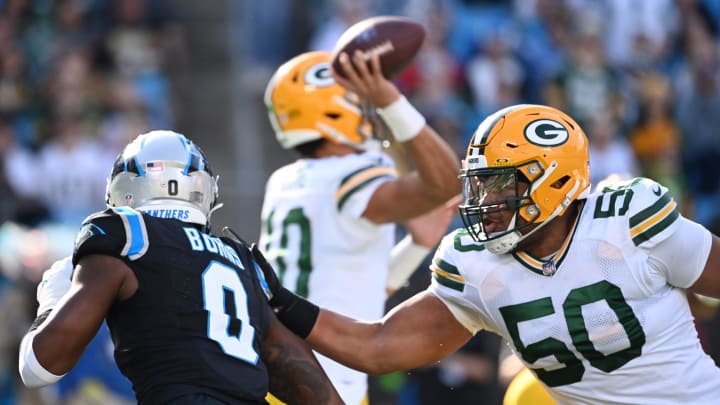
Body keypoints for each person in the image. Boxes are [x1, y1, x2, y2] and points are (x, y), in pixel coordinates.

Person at [252, 104, 720, 404]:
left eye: (500, 185)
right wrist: (287, 306)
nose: (485, 203)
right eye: (479, 186)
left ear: (553, 179)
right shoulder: (475, 267)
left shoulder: (629, 220)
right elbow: (378, 345)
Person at [18, 130, 343, 404]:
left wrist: (54, 297)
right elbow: (317, 391)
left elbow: (40, 367)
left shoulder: (127, 234)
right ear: (204, 191)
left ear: (123, 189)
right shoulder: (243, 259)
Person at [260, 49, 461, 405]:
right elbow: (446, 183)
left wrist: (416, 246)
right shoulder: (352, 174)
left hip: (277, 371)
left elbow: (356, 290)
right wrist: (392, 101)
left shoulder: (284, 181)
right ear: (333, 109)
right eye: (356, 99)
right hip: (324, 380)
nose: (366, 107)